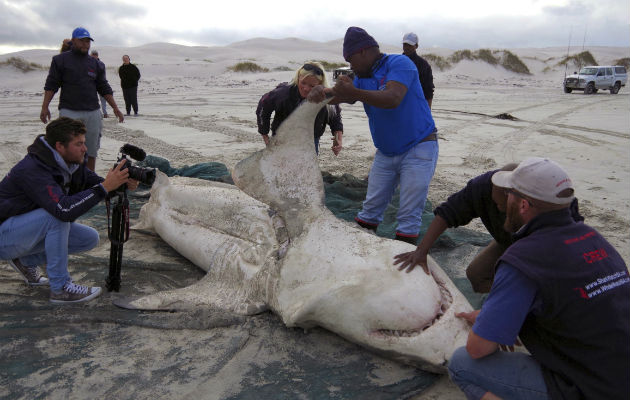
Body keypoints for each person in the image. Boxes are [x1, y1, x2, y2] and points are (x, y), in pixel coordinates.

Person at [448, 157, 630, 400]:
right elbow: (578, 305)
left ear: (523, 205)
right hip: (619, 370)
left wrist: (487, 329)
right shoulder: (594, 239)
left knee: (462, 363)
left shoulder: (524, 258)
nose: (503, 200)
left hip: (591, 386)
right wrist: (492, 317)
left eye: (509, 193)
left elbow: (478, 349)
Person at [310, 27, 438, 244]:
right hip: (386, 153)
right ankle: (363, 254)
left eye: (351, 60)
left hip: (419, 147)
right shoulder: (362, 77)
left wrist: (354, 92)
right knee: (369, 211)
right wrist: (319, 94)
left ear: (363, 52)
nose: (351, 66)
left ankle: (403, 265)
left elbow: (392, 97)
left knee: (408, 216)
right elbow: (337, 96)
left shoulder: (399, 64)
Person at [0, 117, 137, 303]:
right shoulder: (33, 168)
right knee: (57, 217)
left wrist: (119, 183)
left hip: (21, 231)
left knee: (88, 238)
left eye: (84, 142)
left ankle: (24, 260)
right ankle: (61, 289)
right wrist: (105, 187)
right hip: (4, 235)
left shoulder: (71, 163)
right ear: (59, 146)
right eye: (78, 144)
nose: (85, 149)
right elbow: (64, 210)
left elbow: (95, 185)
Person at [393, 163, 584, 293]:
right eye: (496, 204)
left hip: (547, 250)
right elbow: (446, 213)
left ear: (521, 200)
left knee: (543, 288)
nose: (499, 209)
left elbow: (570, 243)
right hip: (506, 240)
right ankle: (505, 299)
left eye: (504, 207)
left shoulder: (551, 200)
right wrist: (422, 251)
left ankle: (525, 305)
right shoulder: (482, 187)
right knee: (476, 275)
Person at [41, 27, 124, 172]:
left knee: (91, 150)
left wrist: (115, 108)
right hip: (69, 112)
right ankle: (68, 181)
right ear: (73, 41)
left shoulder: (96, 64)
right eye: (82, 41)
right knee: (67, 149)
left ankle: (88, 181)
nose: (85, 44)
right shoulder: (60, 60)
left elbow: (103, 87)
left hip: (92, 112)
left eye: (88, 41)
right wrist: (44, 106)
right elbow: (51, 85)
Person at [256, 61, 343, 155]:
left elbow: (335, 119)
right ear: (298, 78)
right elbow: (263, 106)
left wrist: (338, 140)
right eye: (303, 83)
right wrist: (265, 137)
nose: (306, 88)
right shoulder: (282, 94)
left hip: (310, 141)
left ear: (320, 84)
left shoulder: (326, 97)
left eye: (312, 86)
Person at [402, 32, 434, 109]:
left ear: (416, 46)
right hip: (399, 104)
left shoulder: (423, 65)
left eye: (409, 45)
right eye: (405, 44)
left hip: (416, 105)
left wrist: (427, 111)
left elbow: (428, 90)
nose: (406, 47)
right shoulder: (396, 62)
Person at [90, 50, 109, 118]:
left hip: (100, 84)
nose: (94, 56)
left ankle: (104, 113)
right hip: (93, 84)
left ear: (97, 56)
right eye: (93, 55)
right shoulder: (88, 63)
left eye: (95, 55)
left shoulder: (100, 64)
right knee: (95, 99)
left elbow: (101, 74)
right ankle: (100, 113)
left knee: (102, 99)